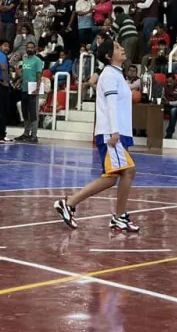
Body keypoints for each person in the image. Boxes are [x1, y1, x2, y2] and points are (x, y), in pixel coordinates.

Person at [54, 40, 141, 232]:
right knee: (129, 171)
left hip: (117, 132)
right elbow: (110, 105)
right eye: (117, 47)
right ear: (109, 55)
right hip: (112, 132)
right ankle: (117, 216)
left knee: (111, 177)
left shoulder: (117, 75)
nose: (122, 49)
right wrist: (115, 131)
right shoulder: (110, 75)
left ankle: (69, 203)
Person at [15, 41, 45, 142]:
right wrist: (19, 81)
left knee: (33, 113)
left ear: (35, 48)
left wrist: (37, 88)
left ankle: (34, 134)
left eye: (31, 48)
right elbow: (24, 73)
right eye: (28, 47)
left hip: (33, 89)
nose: (29, 49)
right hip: (24, 88)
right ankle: (26, 133)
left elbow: (39, 75)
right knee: (25, 112)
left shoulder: (37, 60)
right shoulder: (25, 59)